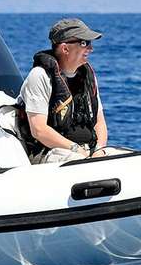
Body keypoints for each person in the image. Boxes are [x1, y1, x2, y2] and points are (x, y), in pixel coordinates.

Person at [16, 18, 110, 163]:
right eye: (84, 43)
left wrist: (99, 150)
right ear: (65, 48)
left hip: (87, 150)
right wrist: (77, 150)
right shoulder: (40, 76)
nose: (90, 49)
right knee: (82, 164)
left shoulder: (88, 77)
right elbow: (39, 130)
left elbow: (100, 122)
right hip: (49, 153)